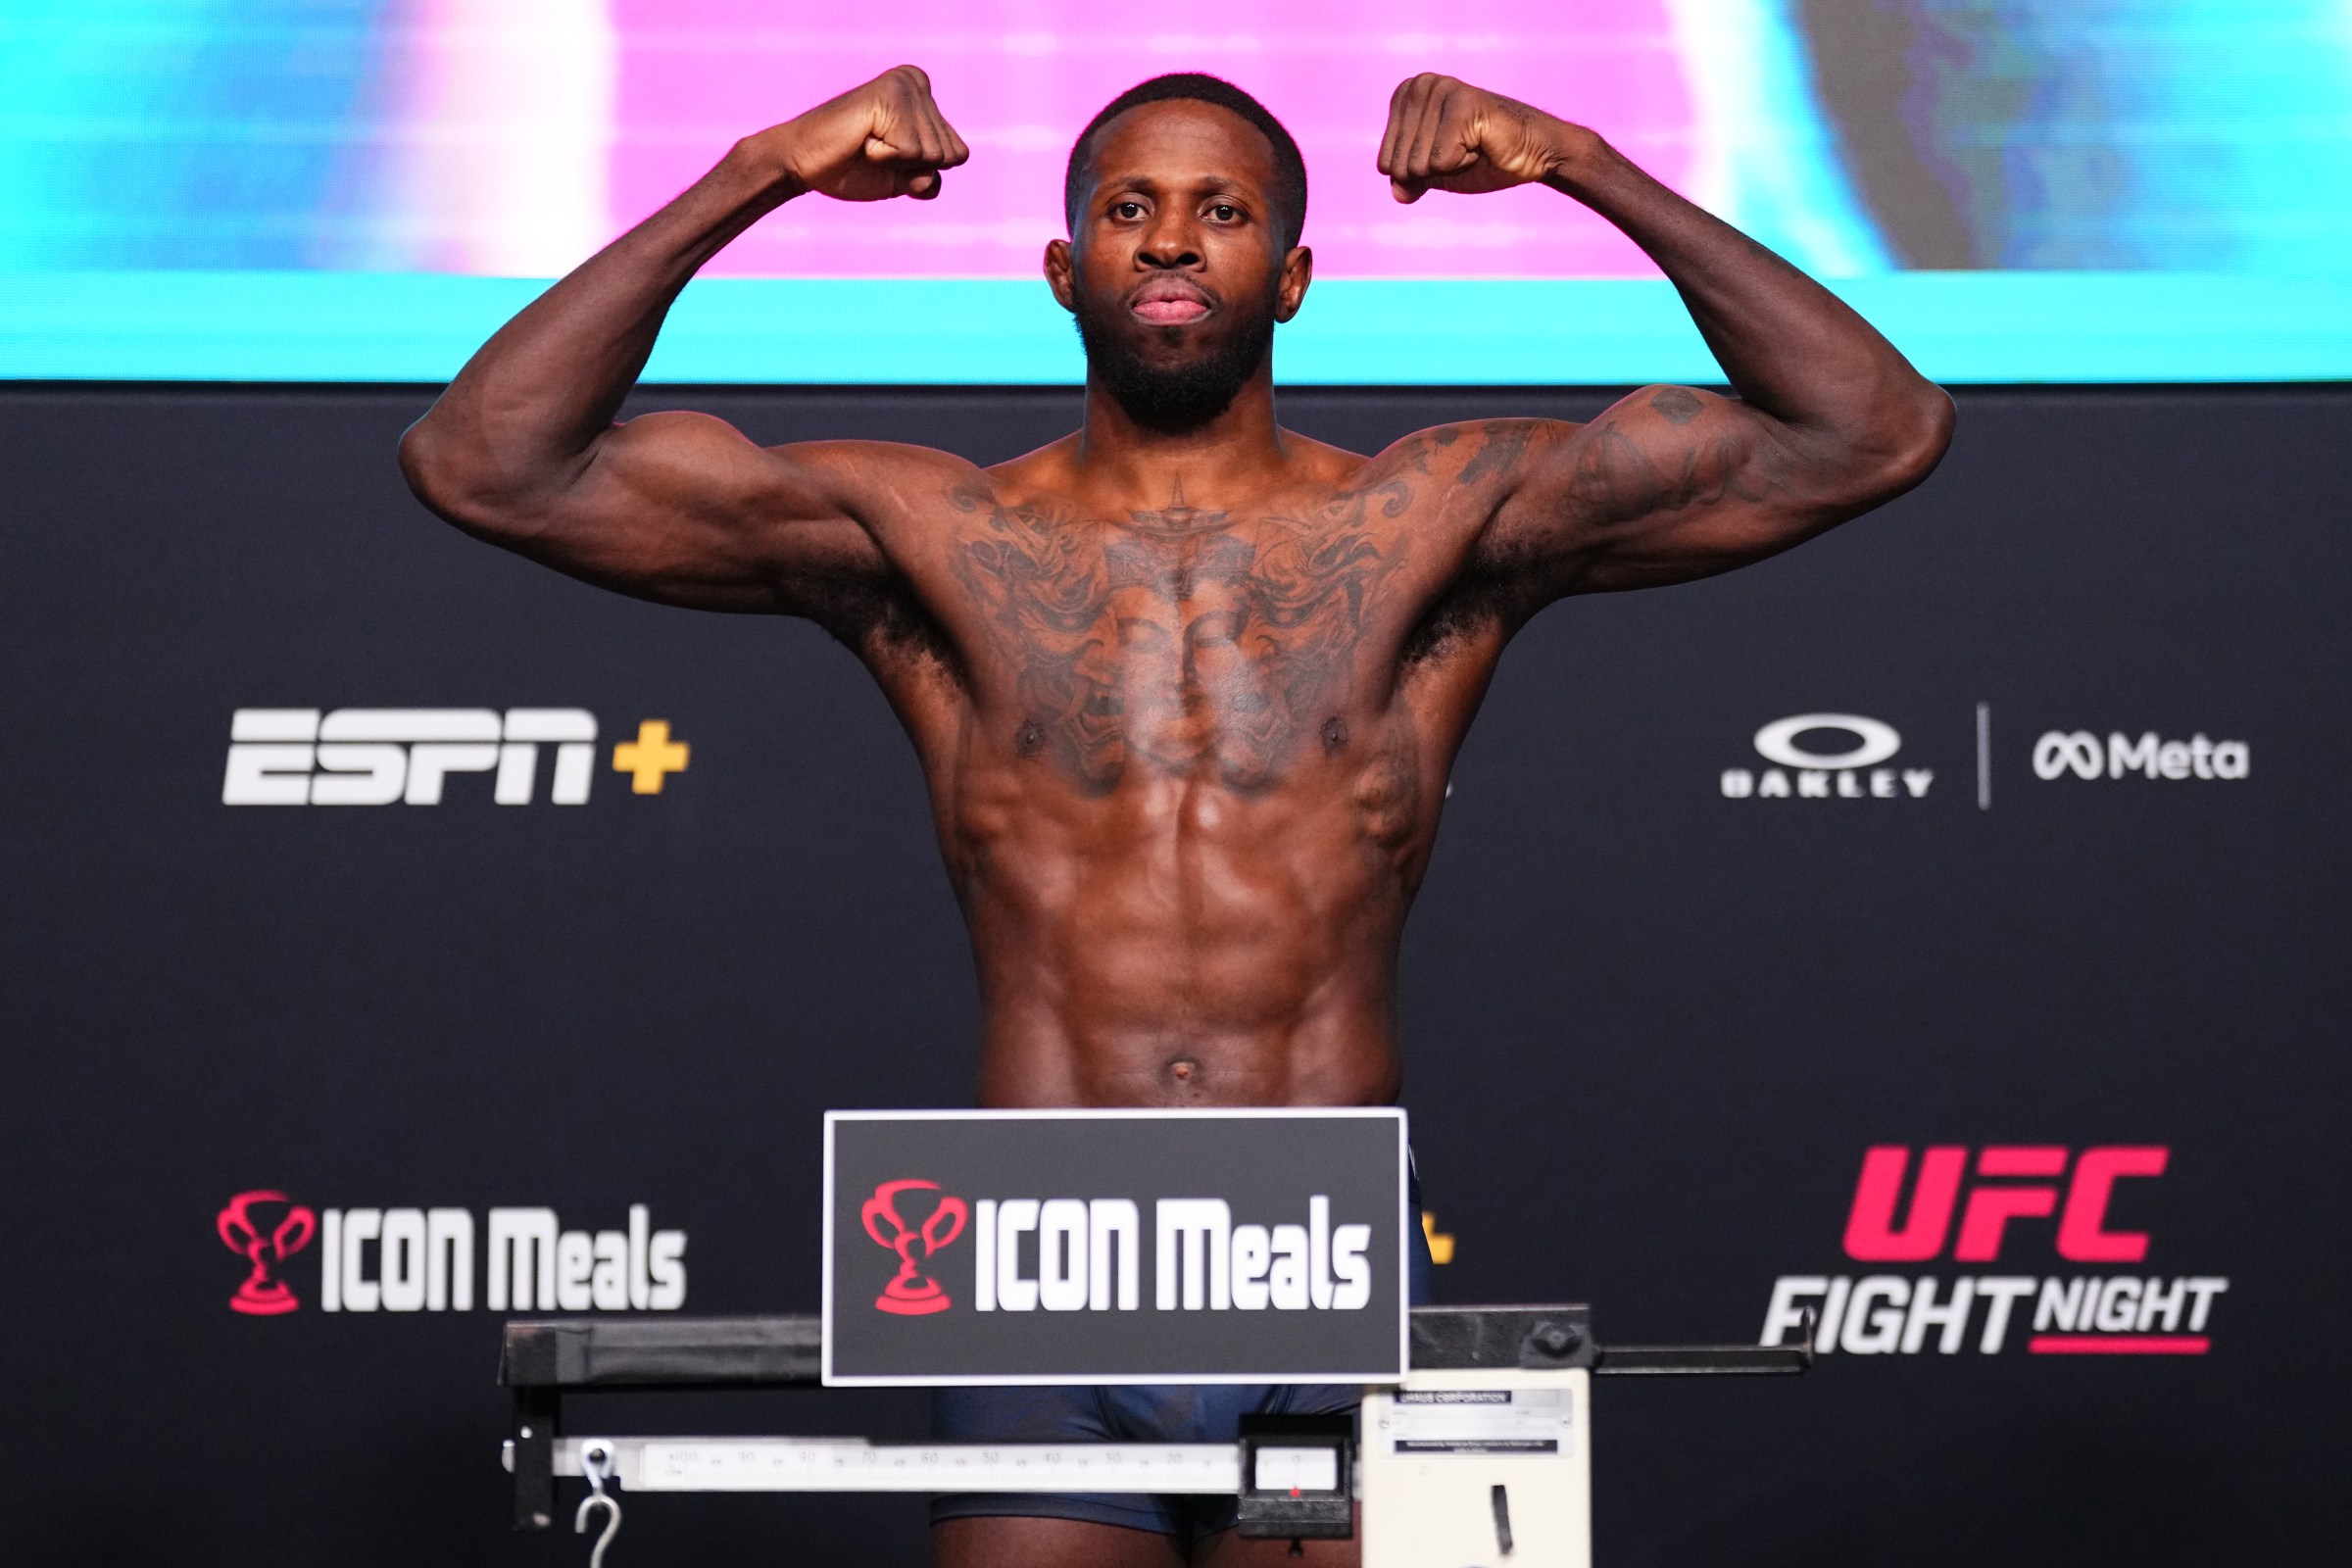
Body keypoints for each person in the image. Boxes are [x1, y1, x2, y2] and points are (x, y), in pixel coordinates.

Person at [401, 64, 1952, 1568]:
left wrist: (1584, 162)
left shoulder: (1430, 520)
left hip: (1324, 1241)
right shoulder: (933, 534)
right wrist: (759, 171)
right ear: (1064, 269)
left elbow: (1871, 430)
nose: (1170, 239)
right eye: (1131, 208)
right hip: (1035, 1243)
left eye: (1223, 210)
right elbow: (486, 464)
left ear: (1291, 276)